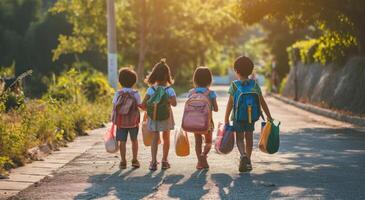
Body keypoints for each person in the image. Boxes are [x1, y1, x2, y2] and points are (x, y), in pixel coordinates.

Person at [224, 56, 272, 172]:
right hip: (251, 118)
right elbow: (262, 101)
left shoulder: (234, 85)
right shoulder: (255, 85)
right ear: (251, 70)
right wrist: (268, 116)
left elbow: (230, 103)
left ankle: (243, 155)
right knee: (249, 139)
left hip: (237, 118)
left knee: (240, 138)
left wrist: (226, 118)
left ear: (236, 71)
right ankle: (249, 161)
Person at [142, 59, 177, 171]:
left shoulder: (151, 89)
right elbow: (175, 104)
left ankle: (153, 162)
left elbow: (143, 104)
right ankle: (165, 161)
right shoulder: (170, 90)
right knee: (166, 138)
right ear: (167, 75)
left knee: (155, 138)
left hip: (154, 116)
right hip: (166, 116)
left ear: (154, 75)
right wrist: (168, 99)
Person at [188, 67, 218, 170]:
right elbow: (216, 109)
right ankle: (203, 155)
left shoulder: (191, 92)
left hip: (194, 122)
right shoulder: (211, 93)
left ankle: (199, 162)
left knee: (198, 142)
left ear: (195, 79)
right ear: (209, 80)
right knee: (208, 142)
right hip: (207, 123)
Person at [112, 67, 141, 169]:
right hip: (133, 122)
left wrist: (113, 121)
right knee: (134, 140)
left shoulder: (118, 93)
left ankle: (123, 161)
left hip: (121, 122)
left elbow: (114, 107)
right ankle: (135, 159)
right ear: (134, 81)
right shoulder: (136, 93)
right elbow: (140, 105)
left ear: (120, 81)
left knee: (122, 141)